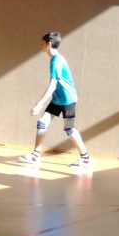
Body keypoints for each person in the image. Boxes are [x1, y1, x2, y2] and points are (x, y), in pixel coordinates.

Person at [19, 31, 92, 167]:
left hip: (68, 99)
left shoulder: (57, 61)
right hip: (57, 99)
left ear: (48, 44)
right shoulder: (55, 59)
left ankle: (85, 158)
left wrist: (39, 104)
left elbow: (52, 86)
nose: (42, 46)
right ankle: (35, 155)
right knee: (42, 122)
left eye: (43, 44)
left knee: (69, 129)